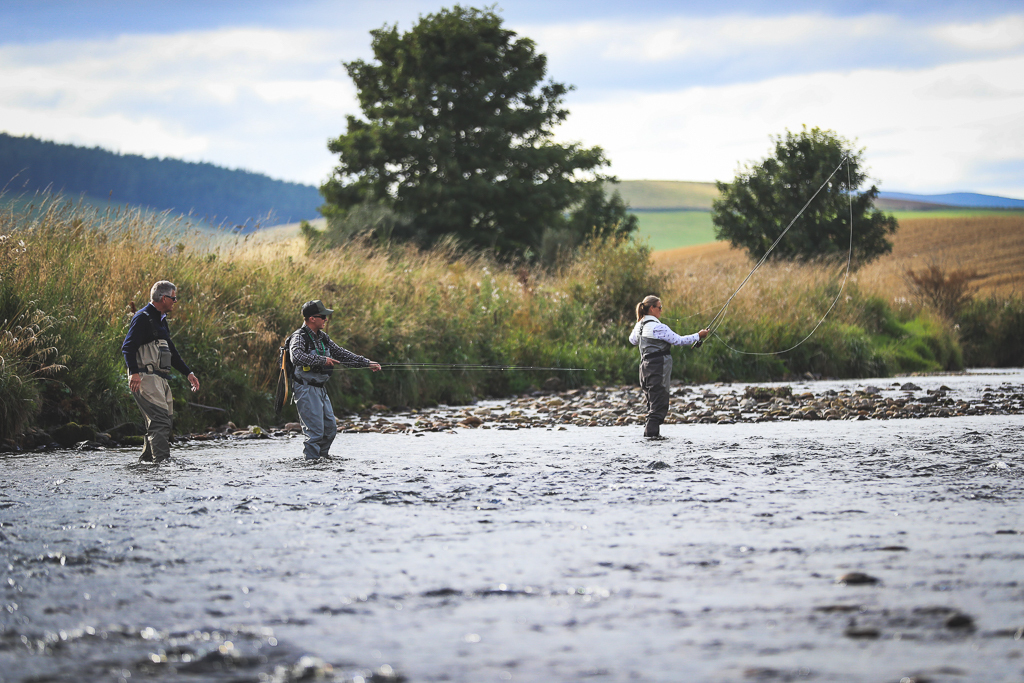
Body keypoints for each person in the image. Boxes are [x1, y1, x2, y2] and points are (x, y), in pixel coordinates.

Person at [290, 300, 381, 460]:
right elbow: (296, 356)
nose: (326, 319)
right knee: (315, 432)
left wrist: (367, 363)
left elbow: (342, 354)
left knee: (330, 429)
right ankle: (311, 464)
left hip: (320, 389)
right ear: (312, 318)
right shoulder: (299, 337)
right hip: (305, 388)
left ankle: (322, 460)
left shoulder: (322, 337)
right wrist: (322, 360)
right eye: (323, 316)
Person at [121, 280, 200, 462]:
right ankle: (162, 464)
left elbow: (171, 352)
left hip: (160, 379)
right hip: (145, 377)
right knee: (160, 421)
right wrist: (134, 373)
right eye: (173, 298)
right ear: (163, 298)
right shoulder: (143, 317)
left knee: (164, 422)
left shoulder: (161, 321)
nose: (175, 301)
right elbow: (128, 347)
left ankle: (147, 463)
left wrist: (188, 373)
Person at [628, 295, 708, 438]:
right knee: (658, 407)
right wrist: (698, 335)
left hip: (644, 369)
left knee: (652, 404)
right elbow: (678, 341)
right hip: (658, 369)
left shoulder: (639, 325)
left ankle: (651, 438)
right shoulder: (658, 327)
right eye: (659, 308)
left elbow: (632, 340)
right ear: (652, 308)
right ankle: (651, 440)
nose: (661, 311)